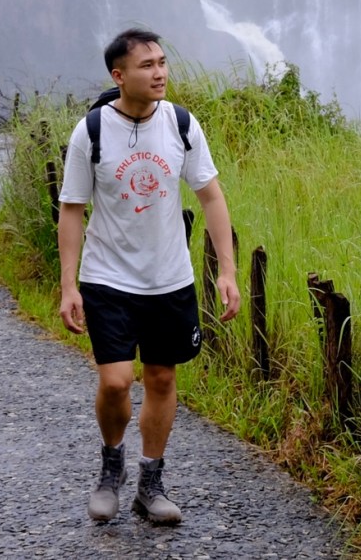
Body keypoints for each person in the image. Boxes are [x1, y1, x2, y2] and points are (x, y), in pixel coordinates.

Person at [57, 28, 240, 525]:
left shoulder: (181, 123)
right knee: (116, 382)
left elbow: (211, 196)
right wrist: (69, 284)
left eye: (162, 62)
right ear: (119, 76)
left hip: (169, 278)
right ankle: (110, 466)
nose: (159, 72)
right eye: (146, 65)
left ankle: (150, 482)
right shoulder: (91, 131)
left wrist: (227, 271)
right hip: (108, 277)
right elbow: (72, 209)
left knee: (161, 377)